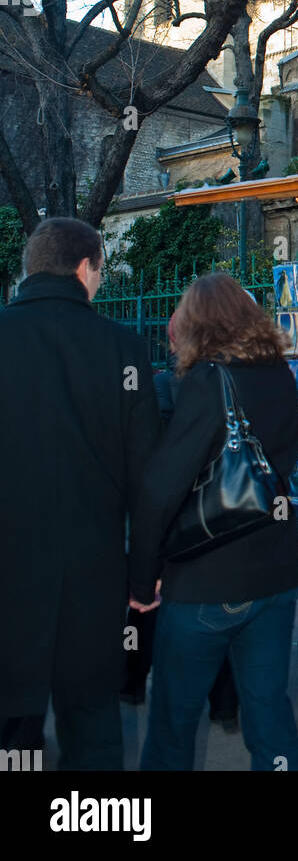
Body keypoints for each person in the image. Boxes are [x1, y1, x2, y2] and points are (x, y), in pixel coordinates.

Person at [0, 217, 161, 770]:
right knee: (92, 725)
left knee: (12, 732)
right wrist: (143, 580)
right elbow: (147, 480)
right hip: (91, 580)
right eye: (100, 273)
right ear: (85, 269)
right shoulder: (123, 349)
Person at [132, 273, 298, 771]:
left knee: (172, 729)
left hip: (209, 582)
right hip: (275, 575)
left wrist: (142, 581)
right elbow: (287, 456)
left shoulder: (208, 380)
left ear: (195, 325)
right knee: (272, 722)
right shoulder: (278, 373)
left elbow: (159, 489)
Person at [122, 317, 240, 733]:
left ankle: (133, 683)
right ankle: (225, 702)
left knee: (147, 603)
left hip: (167, 509)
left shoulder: (160, 385)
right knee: (214, 605)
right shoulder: (224, 384)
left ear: (172, 341)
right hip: (212, 512)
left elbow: (147, 453)